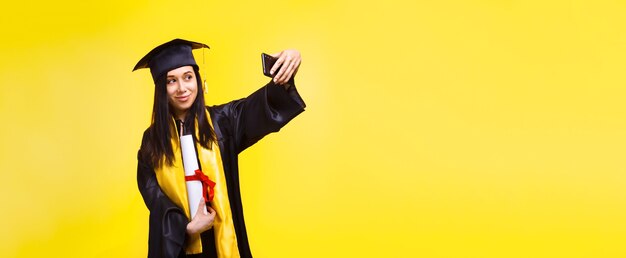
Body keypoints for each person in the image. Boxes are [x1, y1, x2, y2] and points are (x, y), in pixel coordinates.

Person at [133, 39, 305, 258]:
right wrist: (188, 228)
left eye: (188, 77)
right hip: (179, 248)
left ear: (197, 78)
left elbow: (262, 106)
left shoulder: (223, 121)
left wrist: (287, 69)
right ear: (161, 89)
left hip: (222, 242)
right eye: (171, 81)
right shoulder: (152, 142)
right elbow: (155, 199)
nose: (182, 88)